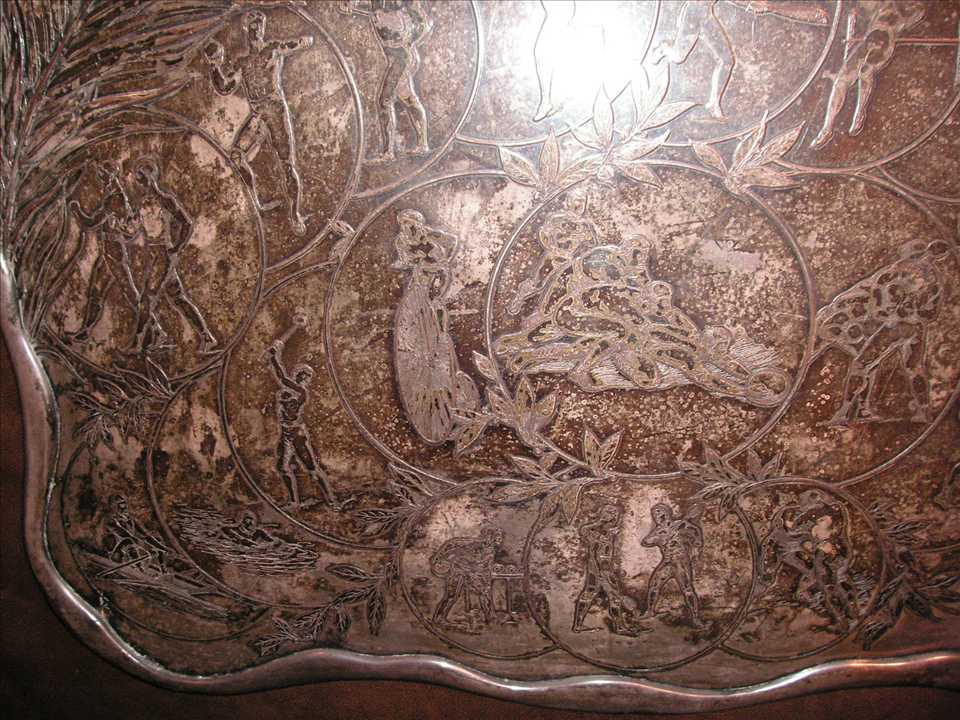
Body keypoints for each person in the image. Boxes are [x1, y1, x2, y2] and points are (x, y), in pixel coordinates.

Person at [205, 10, 314, 235]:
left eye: (259, 25)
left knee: (286, 164)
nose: (256, 30)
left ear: (263, 28)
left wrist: (306, 40)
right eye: (252, 26)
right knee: (237, 156)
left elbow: (300, 43)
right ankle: (257, 205)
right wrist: (215, 65)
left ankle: (294, 214)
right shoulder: (242, 62)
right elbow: (224, 87)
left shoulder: (272, 49)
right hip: (258, 115)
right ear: (246, 29)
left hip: (274, 111)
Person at [127, 159, 218, 356]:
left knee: (146, 299)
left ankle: (137, 344)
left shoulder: (165, 200)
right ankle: (207, 337)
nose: (142, 181)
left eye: (144, 176)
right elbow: (132, 231)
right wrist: (124, 227)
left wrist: (177, 248)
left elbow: (187, 223)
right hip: (153, 255)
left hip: (163, 254)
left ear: (152, 176)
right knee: (178, 298)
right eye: (139, 178)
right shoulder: (140, 204)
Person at [812, 1, 926, 148]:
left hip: (884, 40)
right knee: (841, 80)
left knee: (865, 72)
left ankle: (859, 114)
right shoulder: (881, 4)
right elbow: (864, 7)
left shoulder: (912, 7)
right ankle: (827, 128)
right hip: (869, 39)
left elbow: (915, 15)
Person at [67, 163, 153, 344]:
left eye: (103, 175)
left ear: (111, 176)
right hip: (108, 253)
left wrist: (76, 209)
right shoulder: (115, 196)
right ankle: (86, 331)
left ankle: (153, 328)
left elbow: (91, 223)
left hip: (114, 254)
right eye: (101, 175)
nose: (101, 178)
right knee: (96, 291)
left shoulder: (114, 199)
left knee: (131, 294)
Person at [342, 1, 433, 160]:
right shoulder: (375, 5)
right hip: (398, 59)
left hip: (402, 59)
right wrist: (350, 5)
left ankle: (389, 152)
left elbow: (425, 24)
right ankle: (421, 144)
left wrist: (409, 41)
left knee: (385, 101)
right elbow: (358, 4)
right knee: (408, 99)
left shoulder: (398, 7)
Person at [266, 320, 341, 511]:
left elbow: (282, 376)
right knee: (282, 467)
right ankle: (293, 502)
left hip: (297, 434)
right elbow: (282, 378)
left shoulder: (301, 392)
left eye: (304, 375)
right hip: (286, 433)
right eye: (299, 373)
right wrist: (274, 357)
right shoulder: (289, 390)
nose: (300, 376)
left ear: (306, 380)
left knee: (311, 468)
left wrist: (275, 357)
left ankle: (332, 501)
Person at [572, 504, 642, 635]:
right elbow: (584, 532)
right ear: (603, 515)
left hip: (599, 569)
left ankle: (578, 625)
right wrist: (603, 573)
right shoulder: (595, 533)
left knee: (589, 593)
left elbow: (609, 553)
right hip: (600, 570)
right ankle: (620, 627)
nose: (614, 516)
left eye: (615, 514)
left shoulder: (610, 533)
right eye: (610, 513)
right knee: (613, 597)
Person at [639, 503, 707, 628]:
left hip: (680, 562)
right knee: (654, 585)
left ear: (668, 513)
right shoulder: (658, 531)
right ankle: (650, 611)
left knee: (687, 590)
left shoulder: (681, 524)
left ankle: (695, 618)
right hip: (667, 562)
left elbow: (696, 531)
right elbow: (645, 542)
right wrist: (658, 535)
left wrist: (697, 545)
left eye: (660, 512)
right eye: (655, 514)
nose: (657, 516)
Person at [430, 526, 504, 631]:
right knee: (452, 595)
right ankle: (439, 619)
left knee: (484, 593)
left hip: (472, 573)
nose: (500, 540)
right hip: (459, 570)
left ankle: (490, 619)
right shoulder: (473, 543)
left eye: (500, 537)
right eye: (498, 536)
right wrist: (438, 559)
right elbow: (452, 544)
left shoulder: (491, 550)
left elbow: (486, 568)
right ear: (489, 537)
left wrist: (484, 580)